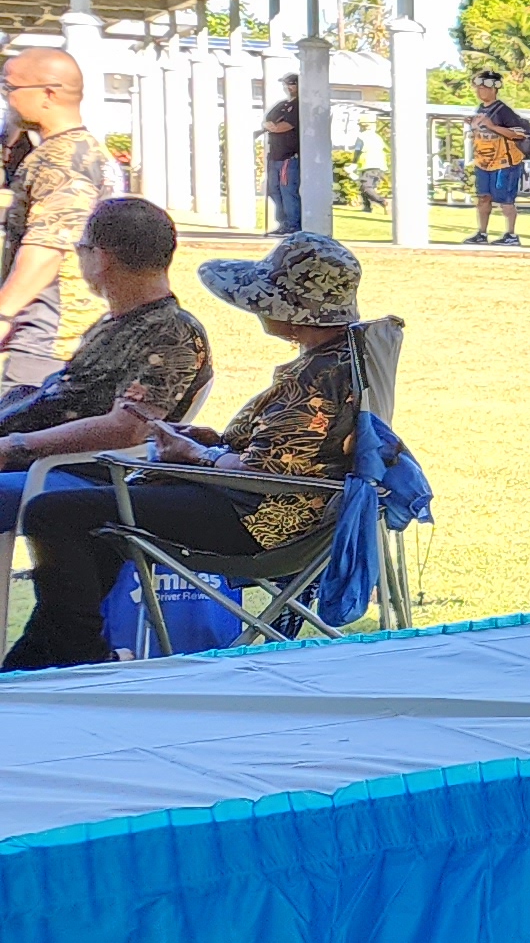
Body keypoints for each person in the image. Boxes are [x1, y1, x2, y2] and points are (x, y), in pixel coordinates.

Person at [6, 228, 369, 669]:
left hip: (259, 518)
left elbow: (268, 469)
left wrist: (199, 457)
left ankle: (77, 653)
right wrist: (211, 441)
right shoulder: (337, 360)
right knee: (90, 516)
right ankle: (45, 654)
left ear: (293, 313)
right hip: (267, 504)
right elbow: (288, 449)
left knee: (56, 512)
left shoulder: (319, 379)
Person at [0, 197, 213, 532]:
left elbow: (127, 428)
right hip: (35, 460)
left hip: (74, 472)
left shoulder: (172, 332)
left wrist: (16, 445)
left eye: (81, 249)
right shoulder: (117, 323)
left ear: (99, 258)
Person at [0, 46, 117, 397]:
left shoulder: (62, 160)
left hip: (45, 336)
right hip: (65, 331)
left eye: (11, 89)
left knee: (14, 440)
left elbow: (48, 248)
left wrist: (3, 314)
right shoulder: (80, 149)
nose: (7, 99)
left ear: (49, 93)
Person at [462, 73, 530, 245]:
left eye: (486, 88)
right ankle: (482, 233)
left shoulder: (503, 111)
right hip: (484, 162)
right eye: (479, 87)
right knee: (483, 197)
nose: (482, 91)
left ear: (495, 89)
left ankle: (511, 234)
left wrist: (492, 126)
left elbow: (518, 134)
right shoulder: (481, 109)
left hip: (505, 163)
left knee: (506, 200)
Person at [264, 76, 305, 235]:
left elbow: (286, 125)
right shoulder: (281, 105)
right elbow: (267, 122)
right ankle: (282, 223)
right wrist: (272, 126)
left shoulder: (299, 105)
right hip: (275, 154)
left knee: (288, 190)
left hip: (289, 155)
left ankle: (293, 224)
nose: (288, 87)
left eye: (292, 83)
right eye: (286, 84)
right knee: (274, 189)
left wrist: (275, 127)